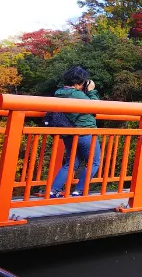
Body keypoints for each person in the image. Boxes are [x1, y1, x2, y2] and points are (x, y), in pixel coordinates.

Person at [50, 66, 102, 198]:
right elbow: (96, 107)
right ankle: (78, 191)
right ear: (79, 82)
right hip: (85, 131)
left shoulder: (59, 93)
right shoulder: (78, 94)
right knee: (94, 162)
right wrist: (91, 91)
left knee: (72, 162)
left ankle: (53, 190)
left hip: (68, 132)